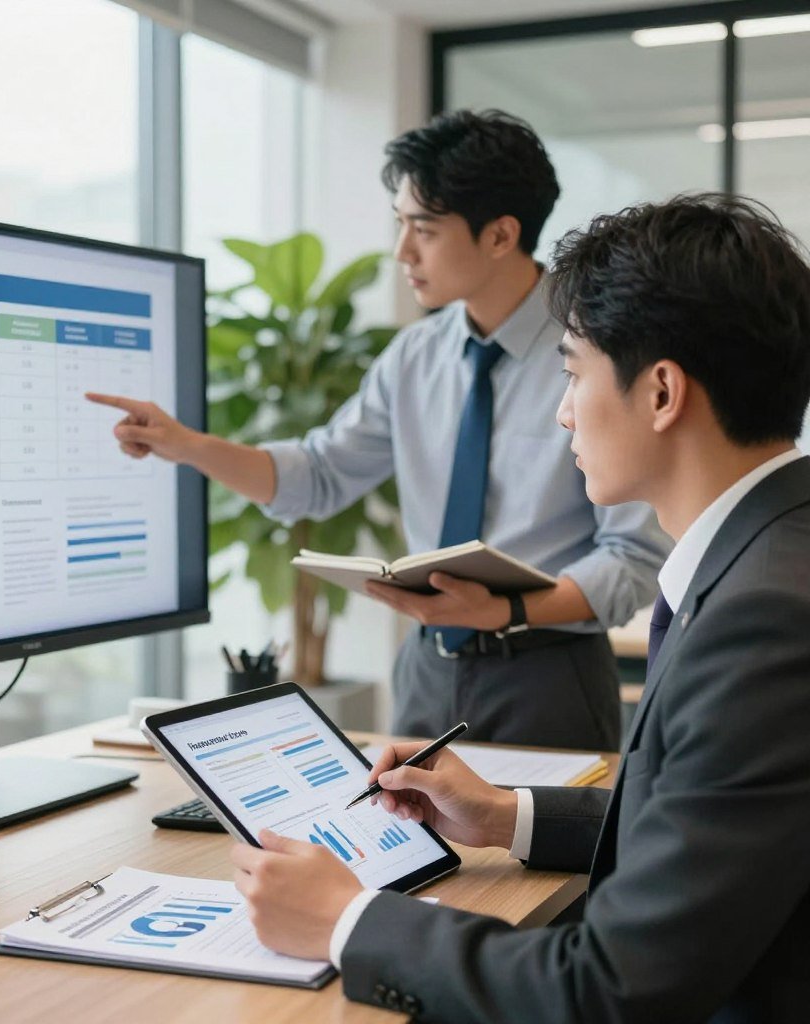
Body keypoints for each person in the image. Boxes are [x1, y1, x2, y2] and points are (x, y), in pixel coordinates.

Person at [229, 193, 810, 1023]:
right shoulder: (770, 556)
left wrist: (345, 920)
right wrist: (507, 814)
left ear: (661, 393)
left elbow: (608, 991)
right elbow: (707, 821)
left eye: (572, 374)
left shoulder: (766, 621)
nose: (563, 411)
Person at [88, 110, 670, 750]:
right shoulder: (413, 356)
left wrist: (506, 609)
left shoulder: (595, 352)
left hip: (548, 673)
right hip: (426, 669)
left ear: (501, 235)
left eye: (425, 229)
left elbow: (632, 556)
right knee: (402, 818)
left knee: (549, 821)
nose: (402, 252)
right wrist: (186, 445)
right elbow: (319, 475)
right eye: (401, 224)